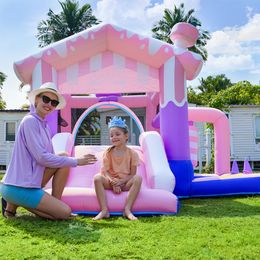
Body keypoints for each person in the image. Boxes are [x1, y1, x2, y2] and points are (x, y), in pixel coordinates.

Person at [0, 82, 97, 220]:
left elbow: (50, 158)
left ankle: (50, 205)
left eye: (54, 102)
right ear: (36, 99)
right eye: (46, 99)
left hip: (29, 182)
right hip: (17, 186)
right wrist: (76, 161)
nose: (49, 104)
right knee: (64, 213)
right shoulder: (30, 121)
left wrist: (69, 160)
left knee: (63, 157)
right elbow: (42, 157)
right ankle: (15, 203)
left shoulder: (43, 125)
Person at [93, 116, 142, 221]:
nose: (114, 137)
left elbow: (133, 174)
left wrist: (121, 182)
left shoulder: (133, 153)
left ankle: (127, 210)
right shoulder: (108, 152)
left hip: (125, 182)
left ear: (126, 136)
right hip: (111, 181)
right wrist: (113, 182)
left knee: (138, 178)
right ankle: (104, 210)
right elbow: (105, 171)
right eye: (111, 135)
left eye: (117, 134)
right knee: (97, 178)